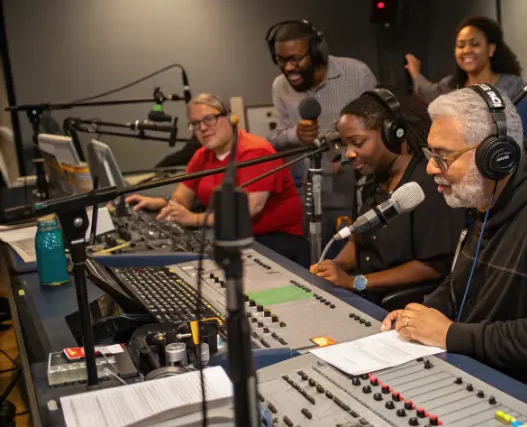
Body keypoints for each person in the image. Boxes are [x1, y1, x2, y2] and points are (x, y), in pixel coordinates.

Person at [381, 85, 527, 420]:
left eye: (443, 155)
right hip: (490, 375)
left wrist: (450, 335)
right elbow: (460, 284)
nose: (432, 168)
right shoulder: (485, 199)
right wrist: (424, 312)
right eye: (429, 153)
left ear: (496, 155)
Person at [308, 87, 464, 305]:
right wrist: (336, 266)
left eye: (358, 143)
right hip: (367, 296)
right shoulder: (372, 181)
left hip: (404, 306)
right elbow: (358, 239)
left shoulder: (429, 185)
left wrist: (355, 282)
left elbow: (433, 267)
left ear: (392, 134)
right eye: (345, 145)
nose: (348, 154)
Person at [125, 94, 304, 263]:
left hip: (273, 239)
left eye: (209, 119)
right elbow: (182, 199)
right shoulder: (202, 155)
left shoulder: (256, 151)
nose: (202, 128)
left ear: (230, 118)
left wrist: (194, 219)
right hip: (227, 234)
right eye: (195, 123)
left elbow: (246, 210)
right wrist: (161, 203)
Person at [265, 19, 378, 248]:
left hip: (354, 192)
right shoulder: (280, 86)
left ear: (318, 51)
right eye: (281, 60)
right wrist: (296, 135)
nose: (288, 68)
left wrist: (344, 155)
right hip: (309, 198)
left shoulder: (357, 74)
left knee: (352, 256)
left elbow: (377, 130)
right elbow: (276, 140)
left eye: (295, 59)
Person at [405, 15, 527, 136]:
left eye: (475, 44)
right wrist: (415, 72)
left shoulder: (513, 87)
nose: (467, 50)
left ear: (490, 49)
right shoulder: (450, 86)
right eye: (461, 45)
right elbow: (426, 91)